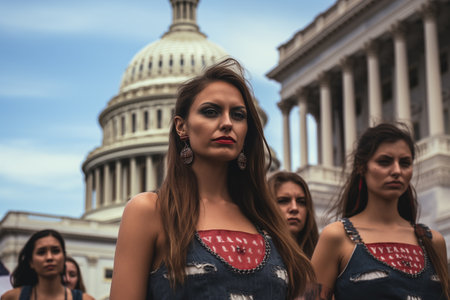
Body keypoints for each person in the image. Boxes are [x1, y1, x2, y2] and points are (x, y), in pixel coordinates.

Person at [110, 58, 315, 300]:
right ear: (181, 127)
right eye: (211, 112)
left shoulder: (267, 219)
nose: (227, 123)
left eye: (238, 115)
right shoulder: (150, 211)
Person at [311, 123, 450, 300]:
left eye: (405, 163)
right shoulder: (336, 236)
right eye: (384, 161)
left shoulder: (433, 241)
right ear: (362, 167)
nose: (397, 171)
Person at [1, 229, 94, 300]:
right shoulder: (12, 297)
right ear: (31, 262)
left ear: (64, 257)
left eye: (55, 251)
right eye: (41, 252)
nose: (49, 257)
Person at [268, 171, 319, 258]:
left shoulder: (320, 253)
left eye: (301, 202)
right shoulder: (259, 254)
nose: (294, 208)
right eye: (283, 201)